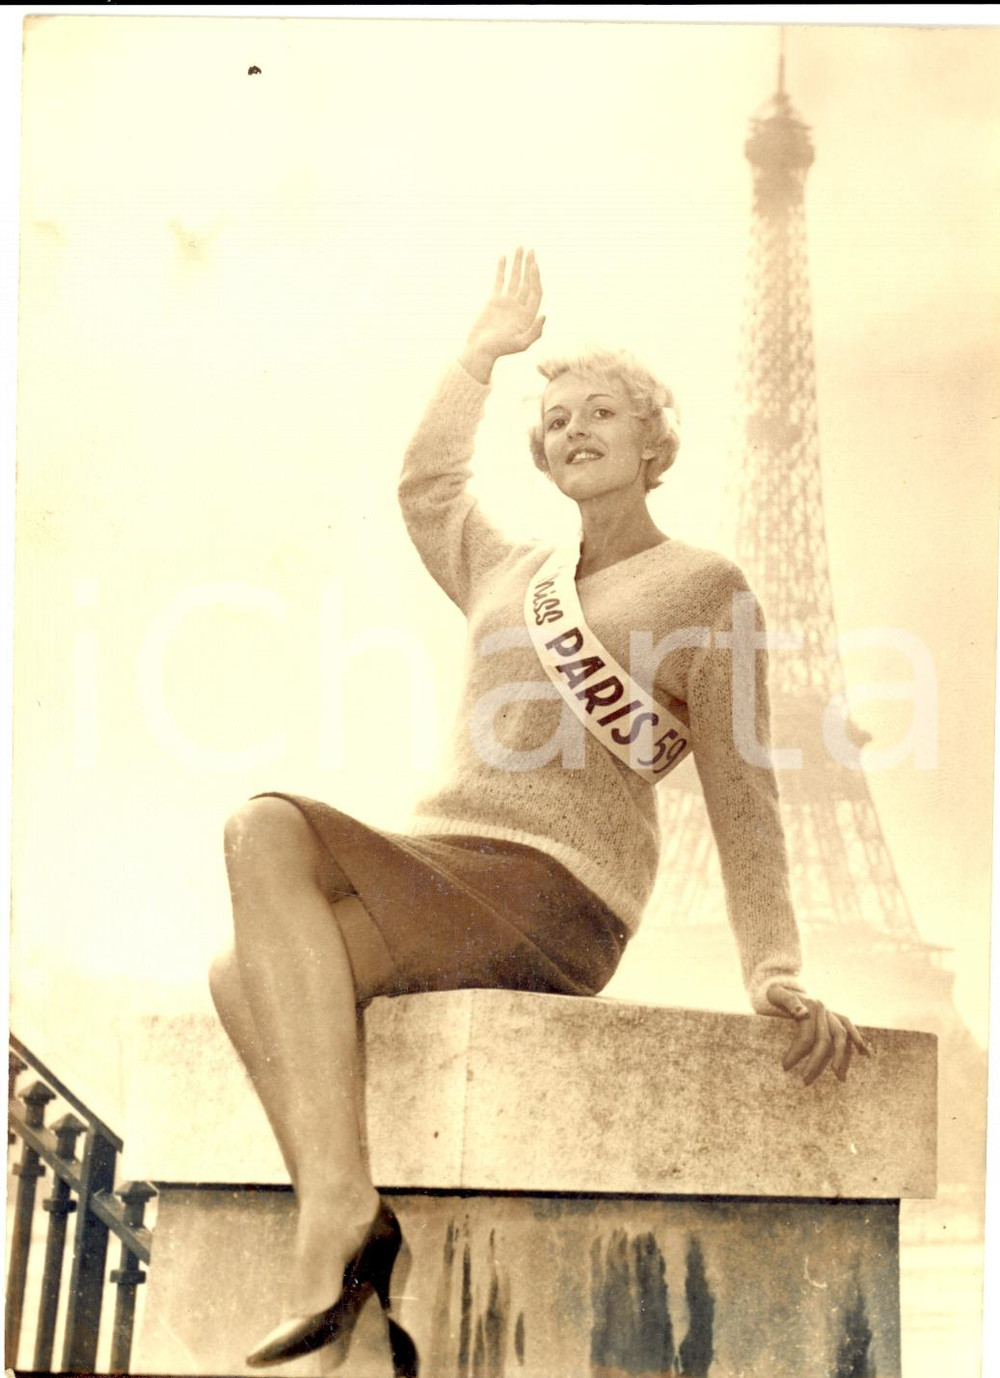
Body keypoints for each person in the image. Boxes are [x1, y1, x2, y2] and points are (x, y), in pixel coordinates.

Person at [208, 248, 870, 1374]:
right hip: (446, 863)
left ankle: (337, 1219)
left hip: (556, 891)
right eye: (555, 418)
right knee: (238, 977)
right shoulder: (508, 568)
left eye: (600, 411)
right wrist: (478, 357)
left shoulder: (706, 589)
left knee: (265, 823)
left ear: (654, 441)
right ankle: (356, 1259)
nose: (572, 429)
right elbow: (425, 488)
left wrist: (773, 966)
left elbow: (742, 791)